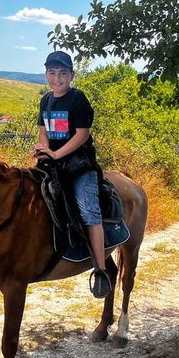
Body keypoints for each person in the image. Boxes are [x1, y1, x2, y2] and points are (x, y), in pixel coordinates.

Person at [33, 50, 111, 298]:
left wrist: (57, 154)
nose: (57, 79)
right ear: (46, 74)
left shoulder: (78, 99)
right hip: (52, 164)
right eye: (53, 73)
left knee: (89, 210)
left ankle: (100, 269)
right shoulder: (46, 100)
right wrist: (44, 149)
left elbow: (82, 135)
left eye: (63, 73)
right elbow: (43, 130)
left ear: (72, 75)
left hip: (79, 165)